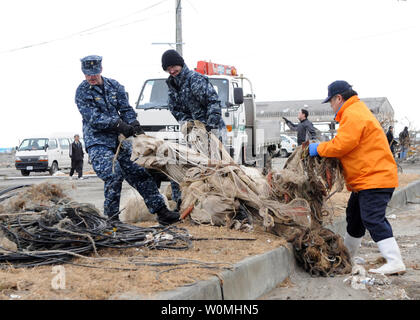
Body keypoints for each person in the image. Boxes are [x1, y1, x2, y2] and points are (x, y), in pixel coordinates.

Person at [308, 80, 405, 275]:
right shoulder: (355, 112)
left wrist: (318, 148)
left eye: (331, 102)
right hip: (367, 180)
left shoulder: (353, 114)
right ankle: (348, 257)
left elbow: (342, 145)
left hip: (375, 179)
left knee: (373, 218)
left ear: (339, 98)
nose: (331, 106)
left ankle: (395, 261)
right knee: (354, 218)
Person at [75, 55, 180, 225]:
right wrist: (118, 125)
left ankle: (162, 212)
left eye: (94, 74)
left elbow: (125, 109)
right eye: (88, 74)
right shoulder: (82, 92)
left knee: (140, 174)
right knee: (113, 174)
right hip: (98, 142)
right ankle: (111, 220)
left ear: (100, 70)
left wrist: (133, 123)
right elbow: (94, 118)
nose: (91, 78)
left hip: (119, 142)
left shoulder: (114, 86)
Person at [160, 49, 227, 210]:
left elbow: (213, 102)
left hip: (212, 129)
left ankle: (222, 202)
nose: (172, 70)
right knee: (187, 166)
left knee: (215, 168)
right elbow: (175, 110)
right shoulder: (172, 85)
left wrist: (209, 125)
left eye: (174, 66)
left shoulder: (195, 80)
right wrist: (188, 125)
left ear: (180, 63)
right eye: (168, 68)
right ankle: (183, 204)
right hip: (193, 133)